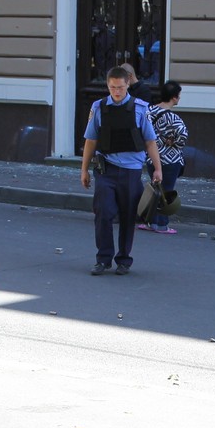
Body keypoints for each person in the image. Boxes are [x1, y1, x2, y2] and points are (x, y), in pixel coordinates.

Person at [80, 64, 162, 275]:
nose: (116, 91)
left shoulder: (140, 108)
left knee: (128, 216)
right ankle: (103, 259)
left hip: (131, 171)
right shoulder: (99, 107)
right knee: (103, 213)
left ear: (128, 85)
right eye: (112, 87)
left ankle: (124, 259)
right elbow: (91, 140)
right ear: (108, 86)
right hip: (105, 170)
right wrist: (84, 170)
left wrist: (157, 169)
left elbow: (150, 141)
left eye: (120, 87)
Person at [140, 80, 188, 234]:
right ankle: (162, 224)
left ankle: (151, 221)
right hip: (169, 160)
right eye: (179, 95)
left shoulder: (149, 111)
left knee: (155, 190)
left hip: (151, 158)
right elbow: (183, 137)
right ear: (174, 97)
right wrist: (172, 142)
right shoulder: (173, 118)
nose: (179, 98)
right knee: (166, 192)